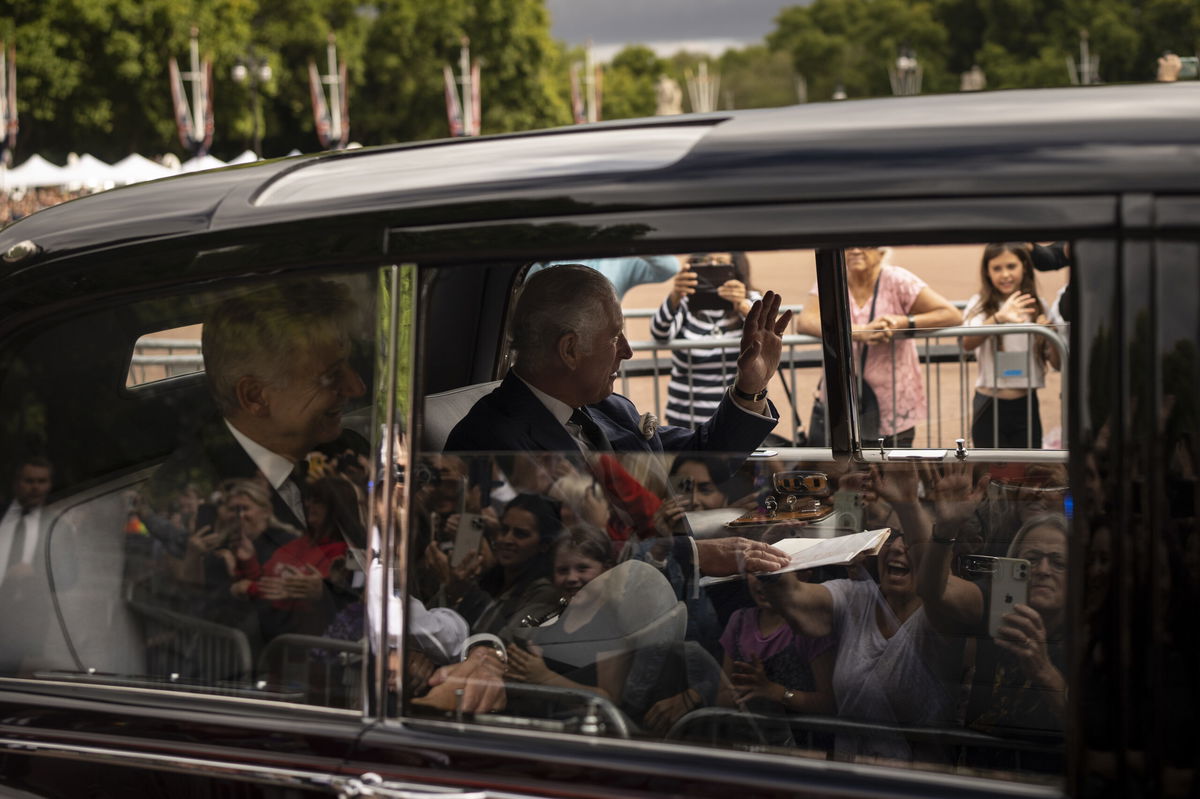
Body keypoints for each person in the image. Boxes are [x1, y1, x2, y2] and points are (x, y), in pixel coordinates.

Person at [445, 263, 793, 581]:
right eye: (615, 337)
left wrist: (751, 386)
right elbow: (548, 561)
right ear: (569, 350)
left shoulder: (611, 410)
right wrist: (693, 556)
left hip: (669, 597)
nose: (628, 351)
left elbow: (700, 460)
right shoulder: (489, 438)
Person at [757, 465, 964, 763]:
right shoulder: (857, 597)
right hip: (851, 780)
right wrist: (774, 543)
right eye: (891, 536)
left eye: (912, 540)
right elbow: (793, 597)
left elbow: (938, 589)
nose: (897, 548)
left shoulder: (940, 617)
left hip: (915, 784)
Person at [917, 464, 1069, 772]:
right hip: (982, 773)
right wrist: (945, 530)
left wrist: (1044, 671)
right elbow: (935, 591)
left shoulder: (1090, 630)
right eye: (1030, 561)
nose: (1042, 570)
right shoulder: (1001, 602)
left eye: (1058, 562)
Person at [797, 246, 961, 447]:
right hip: (843, 400)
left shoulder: (897, 279)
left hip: (894, 401)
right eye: (846, 245)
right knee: (844, 472)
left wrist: (902, 323)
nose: (855, 250)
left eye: (864, 243)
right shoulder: (833, 278)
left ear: (881, 251)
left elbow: (951, 314)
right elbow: (805, 321)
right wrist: (859, 332)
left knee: (893, 472)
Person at [962, 243, 1062, 448]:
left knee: (1026, 472)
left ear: (1024, 266)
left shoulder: (1038, 306)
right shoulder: (979, 304)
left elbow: (1058, 363)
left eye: (1011, 266)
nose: (1005, 274)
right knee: (990, 474)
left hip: (1026, 403)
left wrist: (1051, 335)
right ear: (987, 272)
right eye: (997, 268)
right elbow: (967, 342)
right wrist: (998, 318)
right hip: (988, 403)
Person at [651, 252, 760, 427]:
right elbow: (659, 333)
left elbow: (765, 333)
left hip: (735, 417)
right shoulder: (685, 303)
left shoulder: (750, 300)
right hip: (685, 417)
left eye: (721, 263)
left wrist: (741, 304)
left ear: (735, 270)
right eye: (706, 262)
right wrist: (675, 296)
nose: (713, 267)